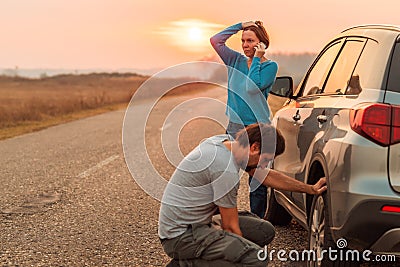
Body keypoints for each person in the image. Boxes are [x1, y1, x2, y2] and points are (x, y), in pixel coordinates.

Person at [158, 123, 327, 266]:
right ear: (254, 147)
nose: (265, 164)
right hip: (180, 236)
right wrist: (242, 250)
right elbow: (230, 227)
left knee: (264, 231)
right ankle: (185, 263)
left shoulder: (225, 144)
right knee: (256, 259)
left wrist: (310, 189)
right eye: (266, 159)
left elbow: (266, 175)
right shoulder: (224, 170)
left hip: (198, 223)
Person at [210, 21, 278, 218]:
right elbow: (216, 40)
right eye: (243, 40)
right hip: (235, 126)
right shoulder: (234, 60)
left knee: (257, 179)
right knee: (225, 174)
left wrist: (257, 58)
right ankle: (222, 217)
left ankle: (257, 221)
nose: (245, 44)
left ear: (261, 44)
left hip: (258, 127)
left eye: (251, 41)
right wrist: (240, 25)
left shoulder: (270, 66)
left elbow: (251, 86)